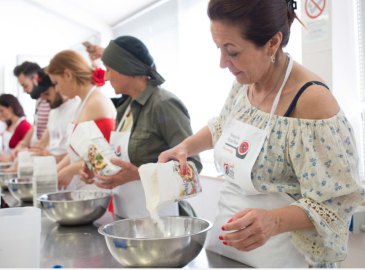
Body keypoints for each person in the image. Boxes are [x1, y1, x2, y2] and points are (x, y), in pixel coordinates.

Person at [158, 0, 365, 268]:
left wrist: (274, 220)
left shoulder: (312, 101)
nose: (222, 63)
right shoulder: (244, 83)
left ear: (272, 43)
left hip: (283, 257)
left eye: (232, 51)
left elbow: (337, 200)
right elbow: (222, 125)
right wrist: (186, 147)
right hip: (227, 253)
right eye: (218, 48)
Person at [79, 36, 202, 219]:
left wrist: (138, 174)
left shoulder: (163, 104)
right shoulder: (125, 108)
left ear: (127, 69)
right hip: (127, 216)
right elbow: (124, 160)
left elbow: (192, 169)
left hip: (163, 220)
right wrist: (99, 166)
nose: (105, 76)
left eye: (108, 70)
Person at [46, 50, 116, 191]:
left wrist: (68, 171)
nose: (57, 89)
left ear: (68, 74)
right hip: (84, 186)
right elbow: (78, 152)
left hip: (98, 187)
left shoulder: (97, 104)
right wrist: (56, 171)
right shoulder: (82, 103)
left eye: (56, 82)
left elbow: (105, 157)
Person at [27, 68, 81, 163]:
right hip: (52, 167)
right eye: (41, 95)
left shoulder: (77, 107)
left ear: (58, 86)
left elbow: (80, 154)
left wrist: (51, 157)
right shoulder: (53, 110)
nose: (43, 99)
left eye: (47, 94)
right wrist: (25, 154)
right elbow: (43, 142)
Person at [13, 61, 51, 156]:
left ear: (35, 79)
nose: (24, 91)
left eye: (25, 86)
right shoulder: (39, 101)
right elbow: (35, 127)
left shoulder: (52, 100)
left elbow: (50, 129)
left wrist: (28, 151)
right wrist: (22, 144)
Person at [0, 94, 31, 160]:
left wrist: (9, 159)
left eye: (1, 110)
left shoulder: (24, 126)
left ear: (11, 108)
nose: (0, 114)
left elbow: (29, 151)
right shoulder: (8, 126)